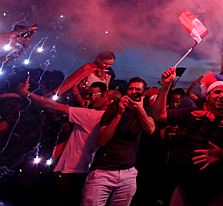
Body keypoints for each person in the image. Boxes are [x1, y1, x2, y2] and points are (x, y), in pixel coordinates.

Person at [152, 68, 223, 206]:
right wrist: (166, 85)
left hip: (214, 192)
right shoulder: (192, 113)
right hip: (185, 189)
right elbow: (159, 115)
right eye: (217, 92)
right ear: (207, 95)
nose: (222, 95)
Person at [16, 77, 121, 206]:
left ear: (110, 101)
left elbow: (52, 105)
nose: (97, 97)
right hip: (83, 167)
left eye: (102, 96)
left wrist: (24, 93)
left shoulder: (93, 115)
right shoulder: (105, 118)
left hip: (73, 168)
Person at [79, 77, 155, 206]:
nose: (133, 92)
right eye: (131, 89)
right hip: (103, 171)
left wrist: (140, 109)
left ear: (143, 93)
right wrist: (119, 114)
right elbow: (102, 140)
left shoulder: (145, 110)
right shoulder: (114, 109)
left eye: (138, 90)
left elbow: (151, 130)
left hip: (128, 172)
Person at [51, 51, 116, 104]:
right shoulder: (88, 67)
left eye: (110, 64)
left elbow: (106, 87)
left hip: (95, 101)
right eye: (105, 63)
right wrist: (80, 99)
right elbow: (74, 84)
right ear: (98, 59)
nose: (107, 66)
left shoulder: (108, 72)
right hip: (80, 97)